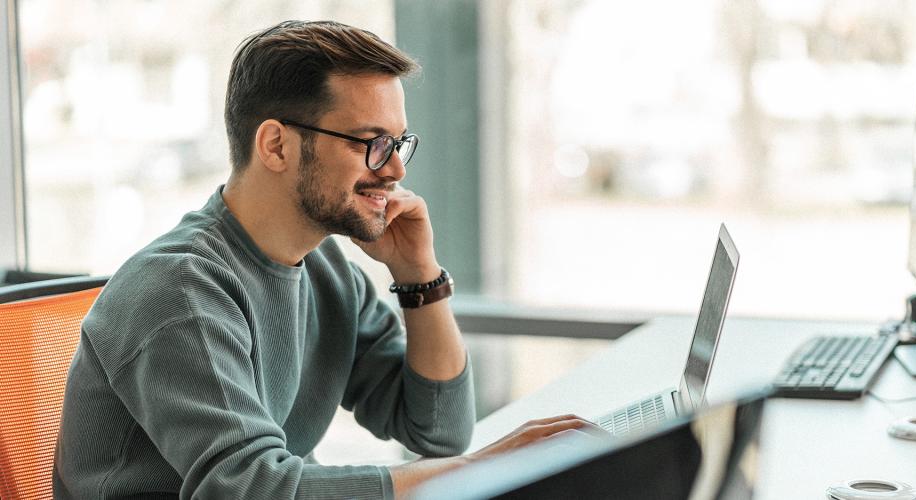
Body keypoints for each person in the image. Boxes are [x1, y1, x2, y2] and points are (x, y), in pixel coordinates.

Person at [53, 20, 597, 499]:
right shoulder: (180, 287)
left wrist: (419, 278)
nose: (394, 171)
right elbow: (250, 489)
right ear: (275, 146)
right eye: (370, 142)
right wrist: (478, 469)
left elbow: (437, 432)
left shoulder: (324, 269)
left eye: (398, 144)